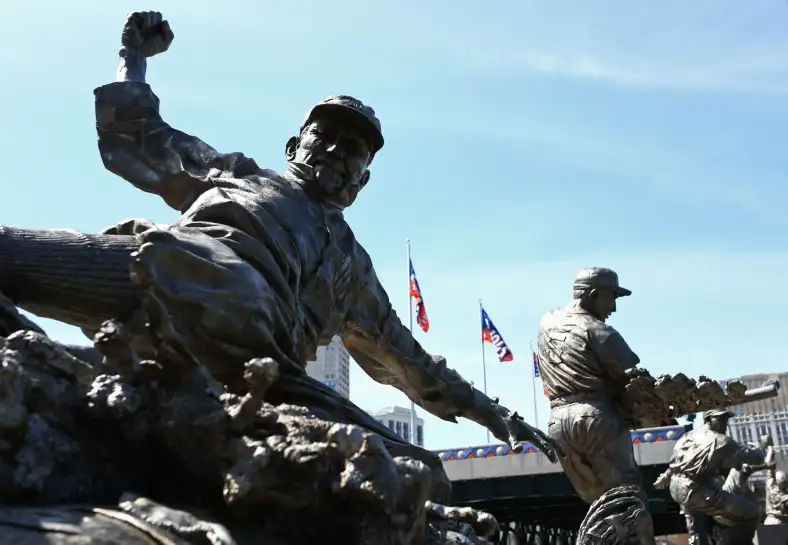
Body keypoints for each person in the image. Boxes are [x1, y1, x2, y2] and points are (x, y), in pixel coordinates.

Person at [0, 11, 556, 496]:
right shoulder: (236, 173)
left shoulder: (351, 271)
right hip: (160, 275)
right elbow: (139, 134)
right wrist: (132, 56)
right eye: (326, 135)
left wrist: (496, 414)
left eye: (355, 149)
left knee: (417, 469)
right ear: (294, 147)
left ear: (362, 182)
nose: (338, 149)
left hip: (264, 373)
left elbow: (412, 364)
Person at [537, 267, 655, 543]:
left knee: (598, 505)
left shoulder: (547, 321)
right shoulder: (601, 332)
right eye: (611, 297)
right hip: (596, 417)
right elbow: (636, 383)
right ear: (592, 294)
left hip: (557, 424)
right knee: (627, 499)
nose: (613, 307)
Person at [659, 409, 766, 545]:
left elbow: (676, 462)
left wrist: (666, 477)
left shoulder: (687, 436)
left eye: (726, 420)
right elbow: (755, 458)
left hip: (677, 489)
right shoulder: (721, 440)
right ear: (709, 419)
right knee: (753, 512)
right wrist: (760, 449)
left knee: (722, 503)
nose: (725, 424)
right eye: (721, 419)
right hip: (696, 491)